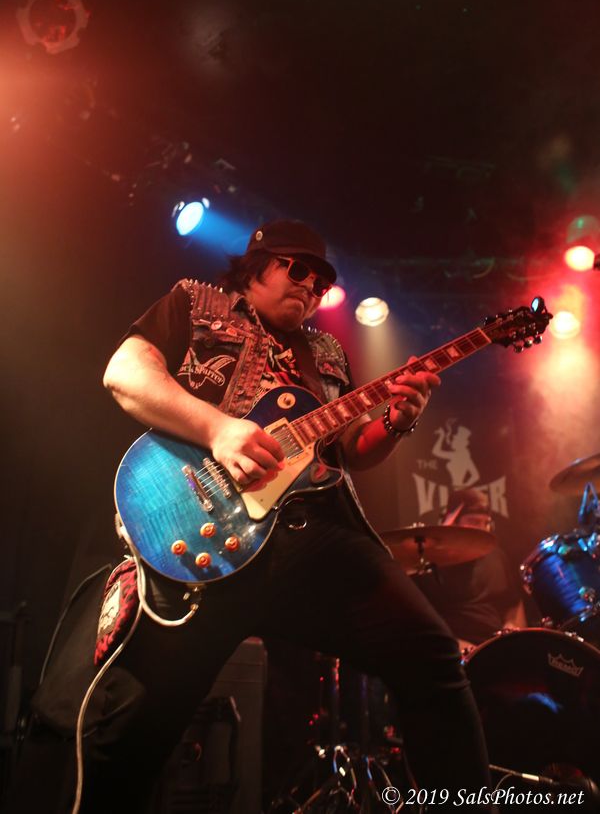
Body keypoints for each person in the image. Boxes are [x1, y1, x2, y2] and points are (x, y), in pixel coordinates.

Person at [8, 220, 493, 813]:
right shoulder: (196, 303)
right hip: (204, 534)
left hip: (316, 537)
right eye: (298, 270)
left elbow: (350, 453)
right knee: (133, 731)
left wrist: (397, 419)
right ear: (256, 263)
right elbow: (125, 374)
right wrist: (218, 429)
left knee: (431, 656)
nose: (310, 287)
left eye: (321, 283)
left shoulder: (326, 353)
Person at [414, 488, 528, 655]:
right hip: (456, 654)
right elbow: (421, 625)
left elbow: (513, 604)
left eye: (486, 523)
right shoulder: (431, 565)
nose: (482, 529)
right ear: (453, 522)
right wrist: (455, 646)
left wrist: (512, 628)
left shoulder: (497, 556)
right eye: (474, 522)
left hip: (498, 648)